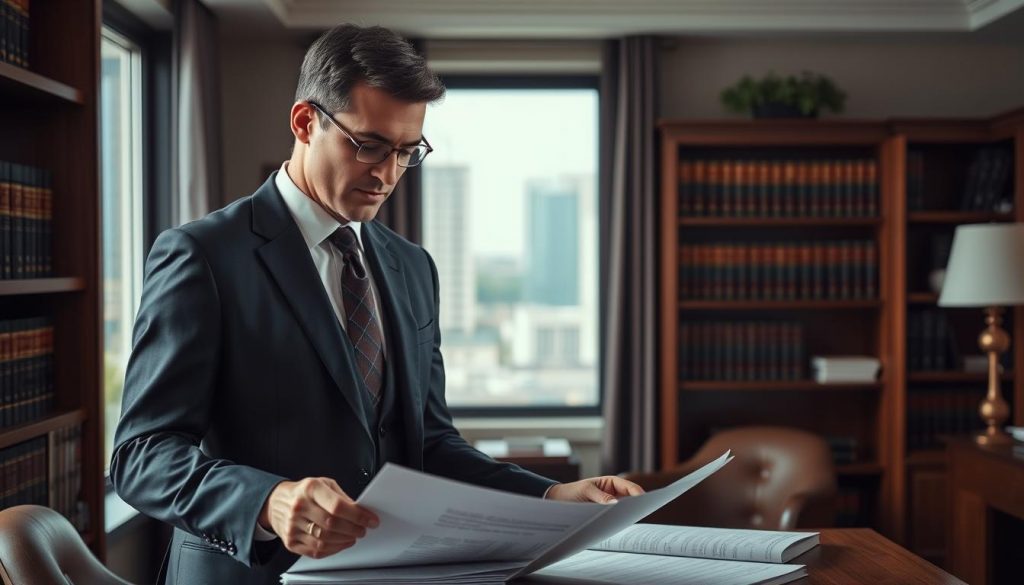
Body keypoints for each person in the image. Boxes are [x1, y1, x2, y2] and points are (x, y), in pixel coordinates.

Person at [109, 23, 643, 585]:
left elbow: (430, 444)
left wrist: (551, 495)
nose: (387, 174)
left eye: (407, 152)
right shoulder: (203, 255)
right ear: (305, 122)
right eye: (368, 145)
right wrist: (269, 502)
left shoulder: (413, 267)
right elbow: (141, 455)